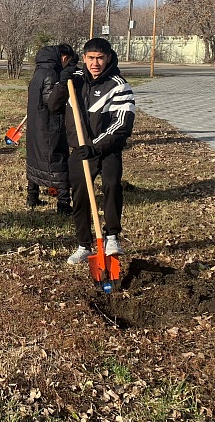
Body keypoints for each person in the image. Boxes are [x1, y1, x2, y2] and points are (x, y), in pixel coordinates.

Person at [47, 37, 135, 265]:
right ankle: (84, 244)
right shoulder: (73, 80)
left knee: (112, 185)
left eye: (100, 58)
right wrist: (60, 83)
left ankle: (112, 236)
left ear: (108, 58)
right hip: (79, 149)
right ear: (84, 58)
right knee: (80, 195)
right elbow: (53, 106)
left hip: (107, 150)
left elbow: (122, 124)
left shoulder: (119, 85)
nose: (95, 63)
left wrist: (95, 147)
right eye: (91, 58)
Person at [25, 44, 76, 215]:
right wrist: (63, 84)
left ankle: (32, 197)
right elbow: (53, 104)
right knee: (58, 159)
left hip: (35, 124)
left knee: (35, 158)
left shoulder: (38, 71)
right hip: (49, 125)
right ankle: (63, 203)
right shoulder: (52, 74)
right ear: (63, 58)